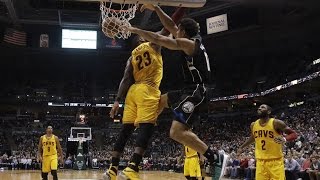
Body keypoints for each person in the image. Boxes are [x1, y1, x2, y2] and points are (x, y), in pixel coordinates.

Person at [125, 4, 221, 172]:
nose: (176, 31)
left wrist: (135, 30)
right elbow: (170, 25)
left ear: (183, 31)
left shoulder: (189, 44)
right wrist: (155, 7)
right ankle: (145, 128)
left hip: (198, 90)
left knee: (175, 133)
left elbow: (160, 39)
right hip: (188, 89)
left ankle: (213, 157)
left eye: (179, 30)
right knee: (159, 101)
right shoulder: (191, 38)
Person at [104, 7, 185, 180]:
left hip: (132, 92)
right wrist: (183, 7)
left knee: (125, 131)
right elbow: (171, 23)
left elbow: (125, 79)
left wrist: (117, 101)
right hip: (147, 89)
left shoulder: (132, 56)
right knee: (146, 128)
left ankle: (112, 169)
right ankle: (133, 166)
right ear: (142, 39)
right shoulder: (153, 44)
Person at [237, 104, 298, 180]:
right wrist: (242, 147)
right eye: (259, 107)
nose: (259, 108)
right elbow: (253, 138)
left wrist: (285, 139)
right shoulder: (253, 125)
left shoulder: (276, 123)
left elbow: (294, 134)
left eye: (263, 107)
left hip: (275, 161)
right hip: (260, 162)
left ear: (269, 111)